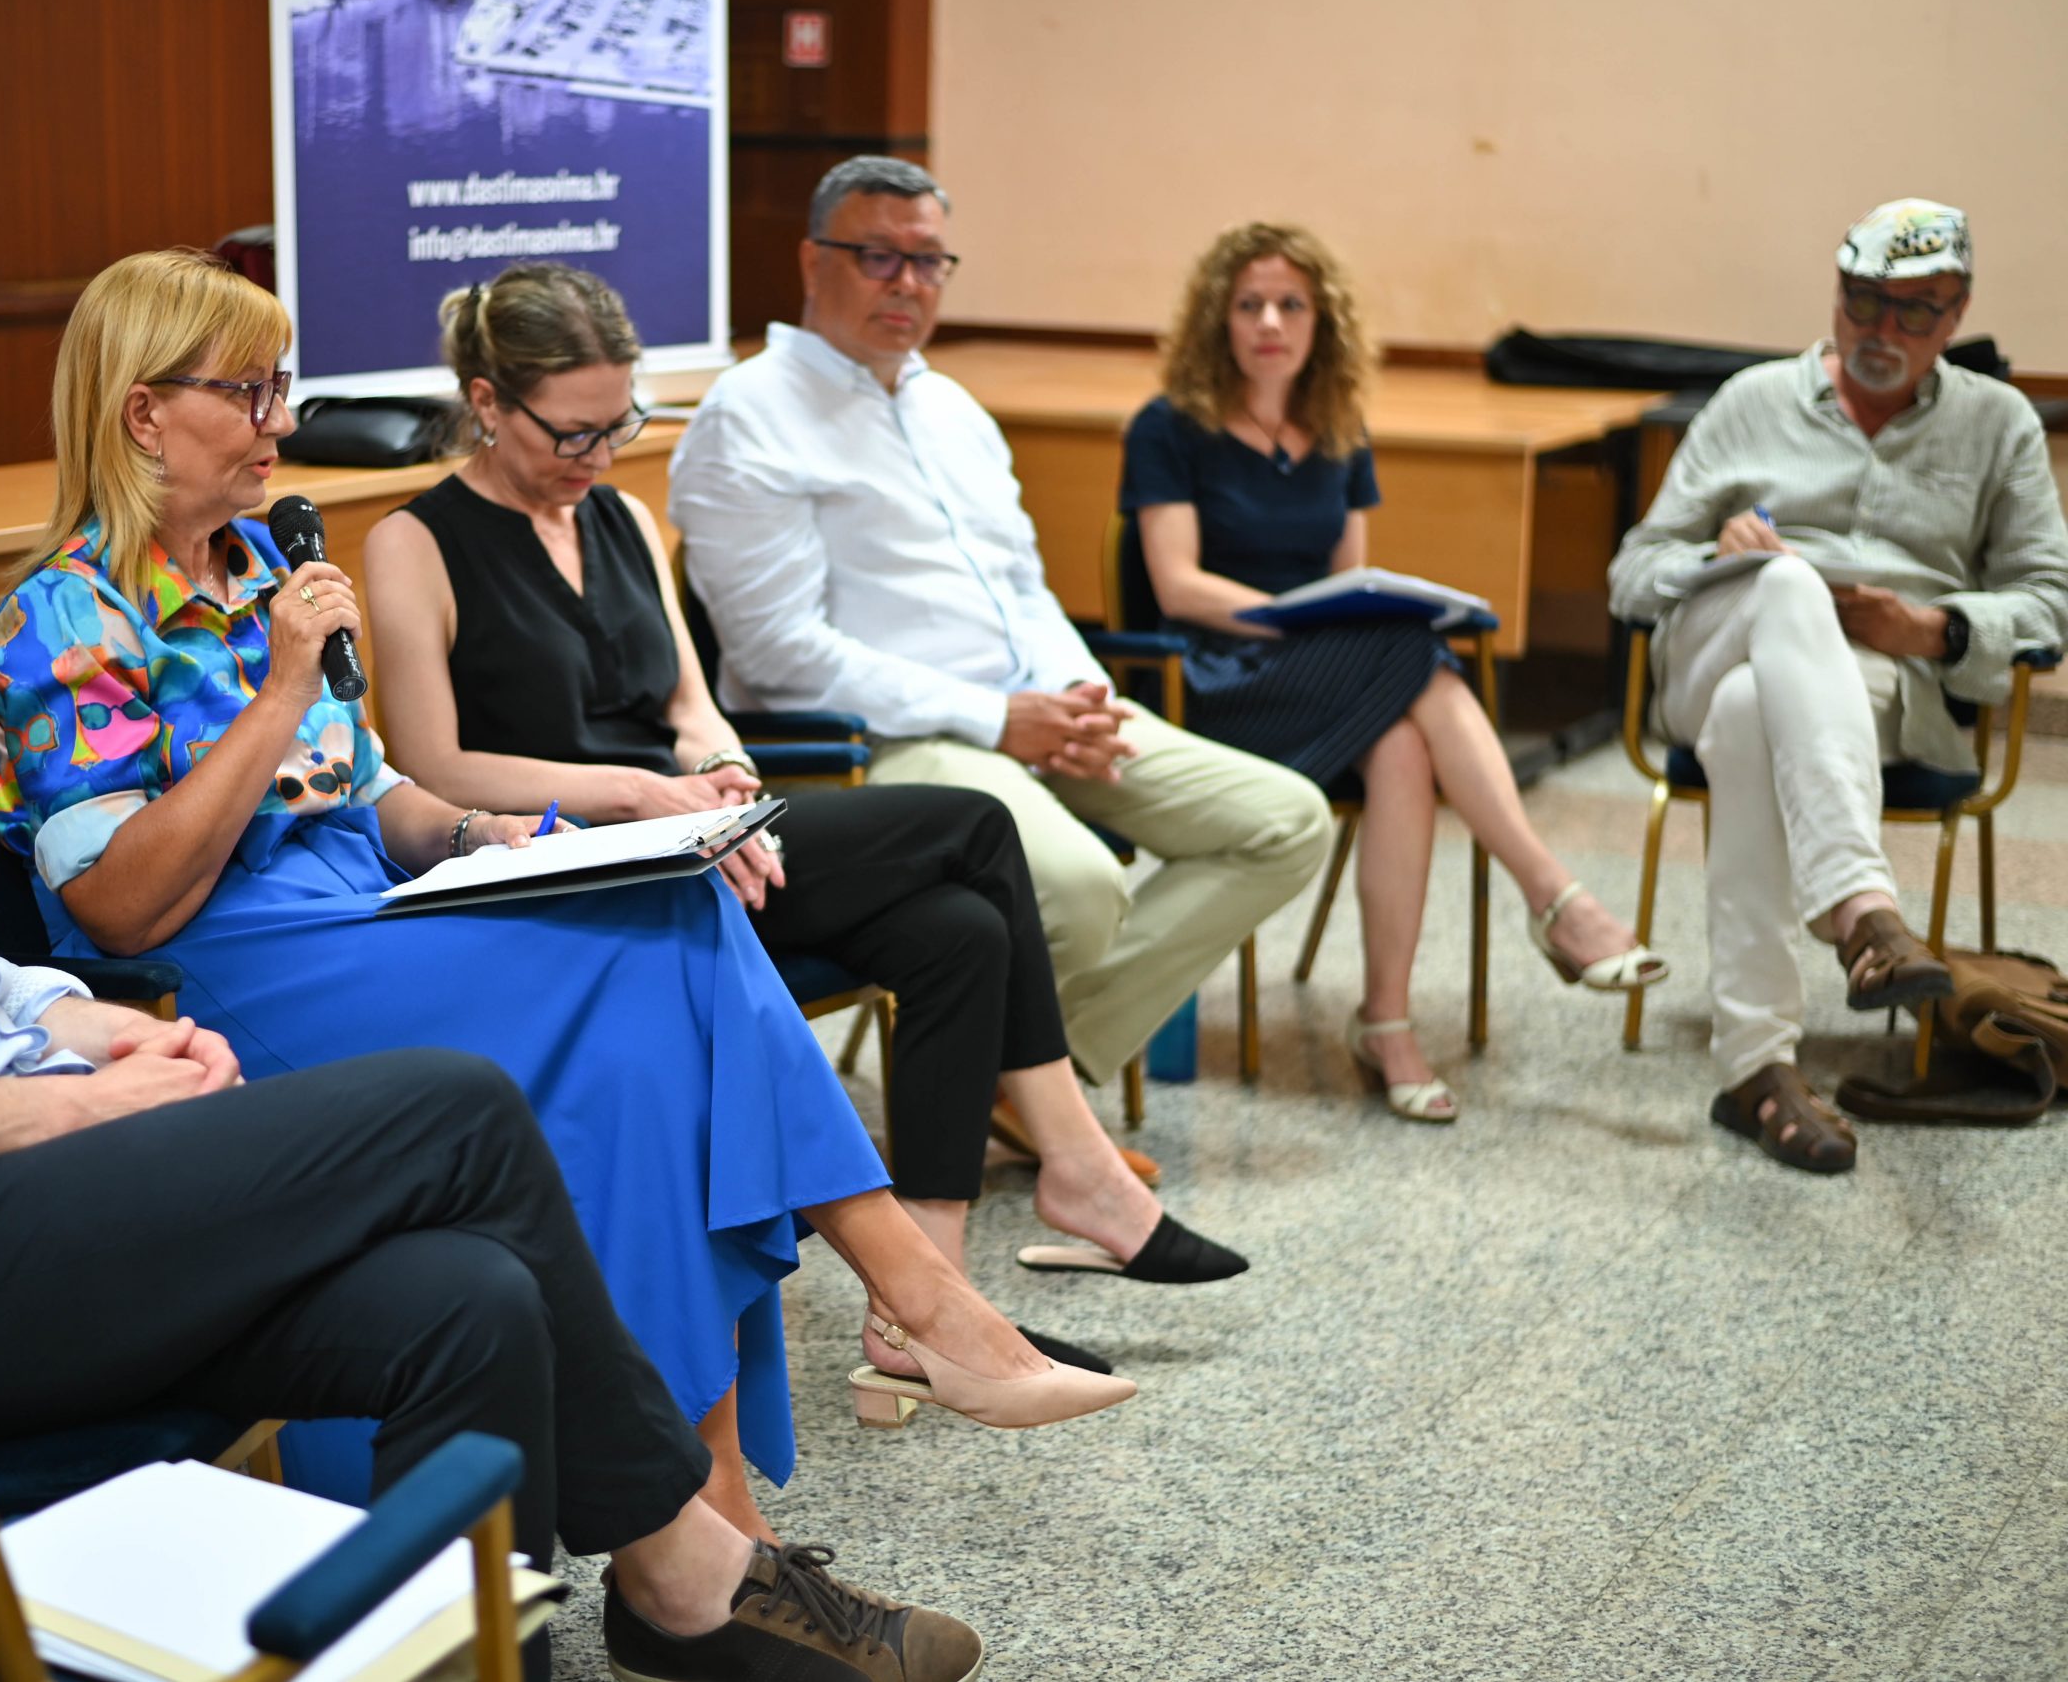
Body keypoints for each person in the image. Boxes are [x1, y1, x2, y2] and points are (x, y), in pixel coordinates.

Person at [0, 247, 991, 1682]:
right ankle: (683, 1568)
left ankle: (584, 1620)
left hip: (14, 1173)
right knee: (455, 1105)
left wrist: (81, 1028)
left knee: (471, 1296)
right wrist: (38, 1107)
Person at [0, 247, 1133, 1542]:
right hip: (230, 962)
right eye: (248, 390)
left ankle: (731, 1497)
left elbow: (373, 797)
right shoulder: (59, 621)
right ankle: (901, 1324)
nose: (282, 421)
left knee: (670, 951)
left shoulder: (256, 564)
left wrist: (486, 831)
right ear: (143, 412)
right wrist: (283, 694)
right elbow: (124, 905)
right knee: (672, 969)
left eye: (280, 385)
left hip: (360, 903)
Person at [362, 261, 1251, 1355]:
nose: (597, 457)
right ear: (488, 404)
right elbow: (432, 761)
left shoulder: (623, 518)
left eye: (618, 425)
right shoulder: (412, 542)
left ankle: (920, 1310)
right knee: (973, 828)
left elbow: (689, 701)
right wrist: (646, 791)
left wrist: (722, 775)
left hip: (688, 833)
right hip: (564, 863)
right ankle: (1076, 1165)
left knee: (955, 933)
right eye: (571, 433)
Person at [669, 157, 1335, 1094]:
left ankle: (1024, 1080)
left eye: (931, 261)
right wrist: (996, 717)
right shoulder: (751, 417)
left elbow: (1025, 588)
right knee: (1079, 886)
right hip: (892, 739)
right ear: (812, 261)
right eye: (878, 257)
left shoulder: (952, 408)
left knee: (1285, 820)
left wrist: (1077, 696)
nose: (908, 283)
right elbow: (781, 655)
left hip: (1030, 708)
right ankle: (1027, 1090)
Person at [1119, 223, 1667, 1120]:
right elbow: (1176, 586)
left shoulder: (1337, 428)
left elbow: (1351, 579)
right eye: (1249, 303)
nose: (1269, 321)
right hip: (1215, 679)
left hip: (1321, 678)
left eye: (1290, 304)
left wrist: (1336, 615)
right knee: (1415, 656)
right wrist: (1286, 616)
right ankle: (1554, 896)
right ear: (1217, 318)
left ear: (1320, 321)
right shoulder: (1168, 427)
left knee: (1407, 745)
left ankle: (1386, 1019)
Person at [1608, 198, 2068, 1173]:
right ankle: (1863, 909)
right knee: (1779, 585)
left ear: (1956, 315)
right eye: (1861, 302)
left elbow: (2047, 604)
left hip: (1882, 692)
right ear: (1835, 290)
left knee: (1750, 719)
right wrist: (1709, 552)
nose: (1879, 330)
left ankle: (1756, 1068)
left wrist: (1933, 626)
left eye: (1913, 312)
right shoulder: (1750, 401)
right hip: (1716, 638)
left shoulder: (1999, 425)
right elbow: (1632, 570)